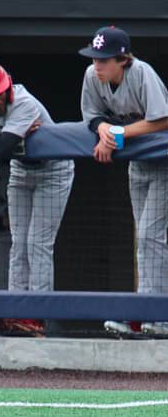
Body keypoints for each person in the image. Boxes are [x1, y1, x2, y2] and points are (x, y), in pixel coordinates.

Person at [0, 55, 74, 336]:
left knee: (38, 243)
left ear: (5, 83)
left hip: (53, 171)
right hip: (22, 170)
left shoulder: (24, 102)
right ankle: (15, 312)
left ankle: (37, 315)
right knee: (18, 243)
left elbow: (0, 151)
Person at [78, 26, 168, 336]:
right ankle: (144, 314)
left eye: (104, 60)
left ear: (123, 59)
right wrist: (104, 128)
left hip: (164, 163)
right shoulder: (92, 77)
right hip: (137, 165)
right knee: (142, 241)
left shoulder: (142, 72)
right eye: (94, 58)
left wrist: (118, 134)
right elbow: (90, 115)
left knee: (150, 237)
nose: (97, 65)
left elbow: (164, 118)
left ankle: (158, 315)